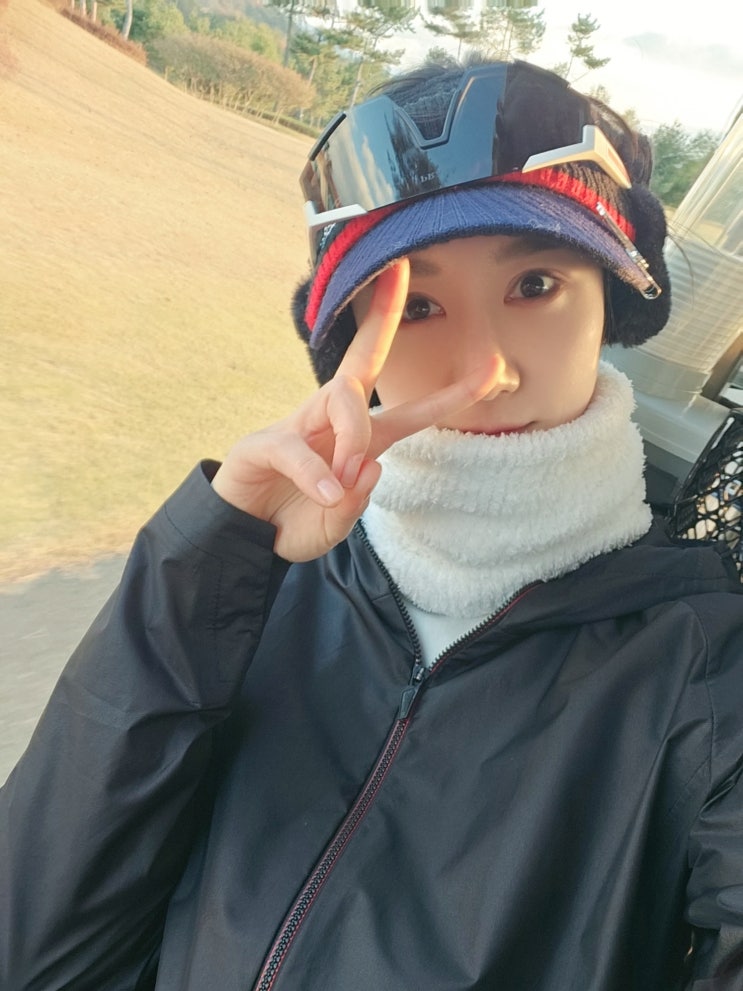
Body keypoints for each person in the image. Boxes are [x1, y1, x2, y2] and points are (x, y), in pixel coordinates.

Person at [1, 57, 742, 991]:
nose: (486, 370)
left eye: (535, 286)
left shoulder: (709, 671)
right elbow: (34, 952)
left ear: (613, 301)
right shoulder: (247, 591)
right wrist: (205, 573)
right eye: (418, 306)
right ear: (352, 344)